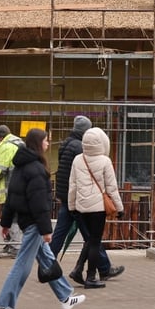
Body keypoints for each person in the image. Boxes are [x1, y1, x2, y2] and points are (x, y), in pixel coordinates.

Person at [0, 128, 85, 309]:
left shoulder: (20, 166)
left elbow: (11, 197)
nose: (48, 144)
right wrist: (45, 230)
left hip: (26, 222)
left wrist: (6, 222)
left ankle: (65, 296)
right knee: (22, 265)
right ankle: (2, 307)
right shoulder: (35, 169)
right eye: (46, 140)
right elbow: (39, 203)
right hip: (34, 224)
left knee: (47, 259)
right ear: (38, 143)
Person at [51, 115, 123, 284]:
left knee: (69, 234)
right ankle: (99, 271)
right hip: (83, 200)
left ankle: (51, 263)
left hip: (70, 196)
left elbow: (70, 177)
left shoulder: (66, 144)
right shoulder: (82, 150)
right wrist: (119, 207)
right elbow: (109, 185)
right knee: (92, 238)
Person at [68, 127, 124, 289]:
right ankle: (91, 277)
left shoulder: (78, 159)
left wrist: (72, 206)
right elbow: (111, 187)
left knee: (90, 240)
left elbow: (73, 185)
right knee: (94, 242)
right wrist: (119, 208)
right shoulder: (105, 161)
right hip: (98, 208)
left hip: (81, 206)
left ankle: (78, 269)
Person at [0, 125, 24, 251]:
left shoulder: (5, 146)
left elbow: (1, 168)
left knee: (11, 215)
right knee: (17, 215)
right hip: (21, 185)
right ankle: (14, 243)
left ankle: (13, 244)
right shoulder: (20, 142)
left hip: (9, 185)